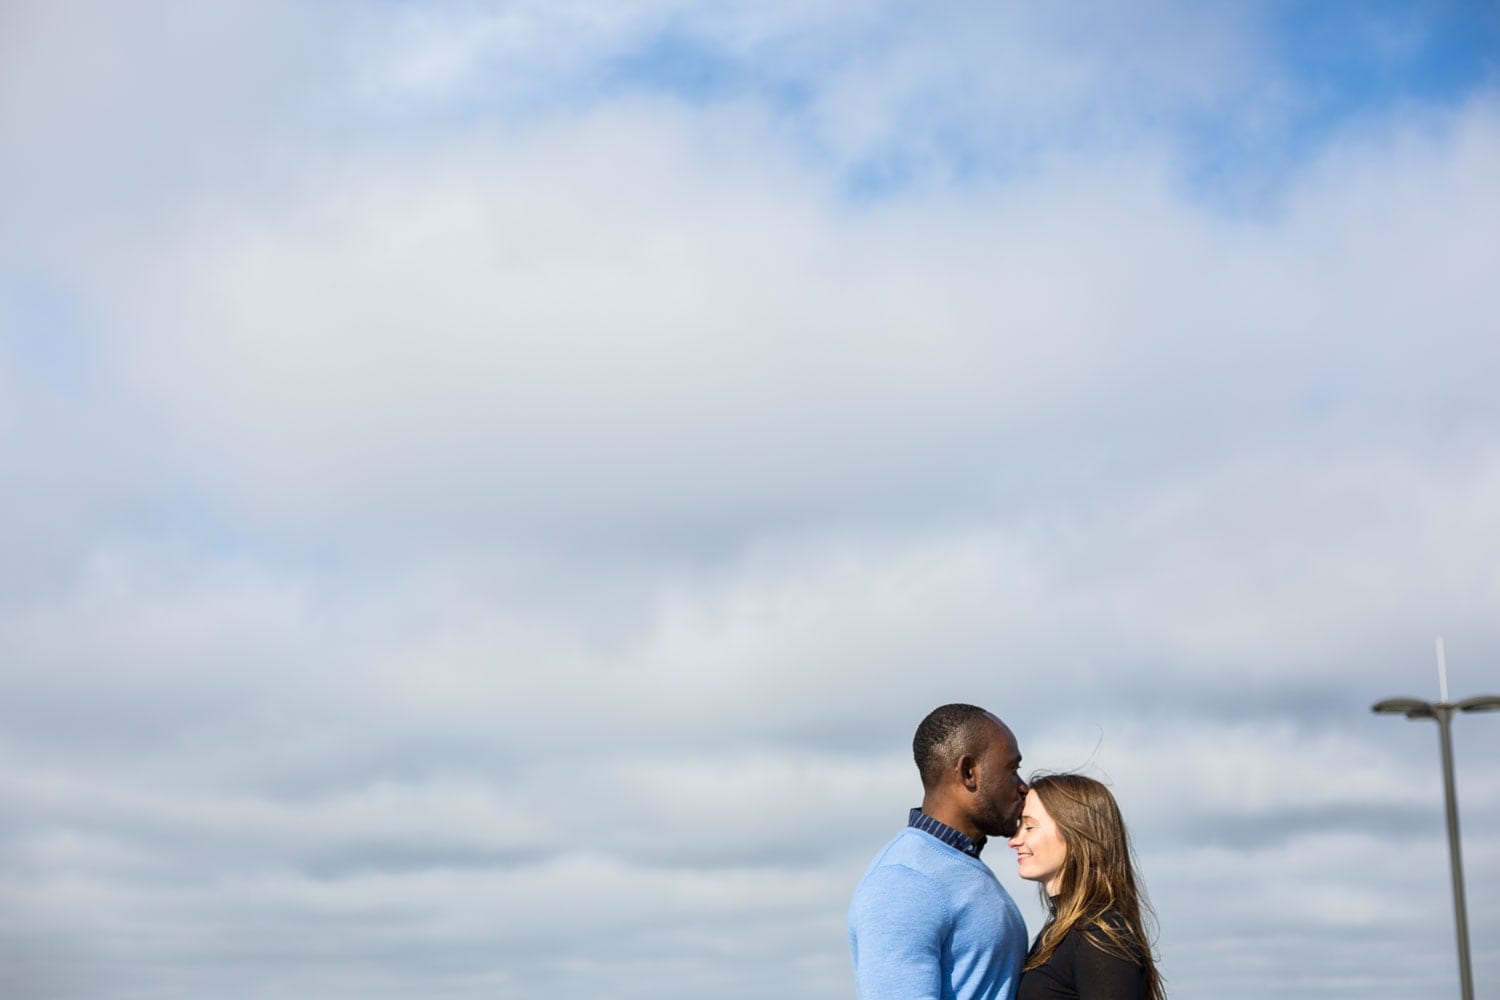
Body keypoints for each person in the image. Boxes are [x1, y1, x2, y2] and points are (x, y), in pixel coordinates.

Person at [848, 704, 1030, 1000]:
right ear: (969, 772)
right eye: (1012, 769)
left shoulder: (958, 865)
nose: (1023, 787)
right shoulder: (903, 881)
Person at [1006, 774, 1164, 1000]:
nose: (1014, 840)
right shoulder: (1060, 933)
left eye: (1030, 827)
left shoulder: (1099, 934)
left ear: (1076, 833)